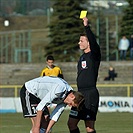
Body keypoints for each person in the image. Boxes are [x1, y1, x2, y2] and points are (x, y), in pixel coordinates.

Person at [67, 17, 101, 133]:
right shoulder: (82, 57)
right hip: (79, 94)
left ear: (88, 42)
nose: (79, 43)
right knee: (71, 123)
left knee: (89, 127)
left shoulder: (94, 55)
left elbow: (94, 42)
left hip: (90, 94)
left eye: (81, 41)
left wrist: (86, 26)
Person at [20, 76, 84, 133]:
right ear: (72, 96)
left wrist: (47, 131)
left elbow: (55, 115)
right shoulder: (59, 89)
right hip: (30, 91)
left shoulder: (66, 98)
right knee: (37, 125)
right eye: (71, 104)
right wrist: (36, 128)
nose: (69, 105)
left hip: (40, 97)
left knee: (46, 123)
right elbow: (40, 107)